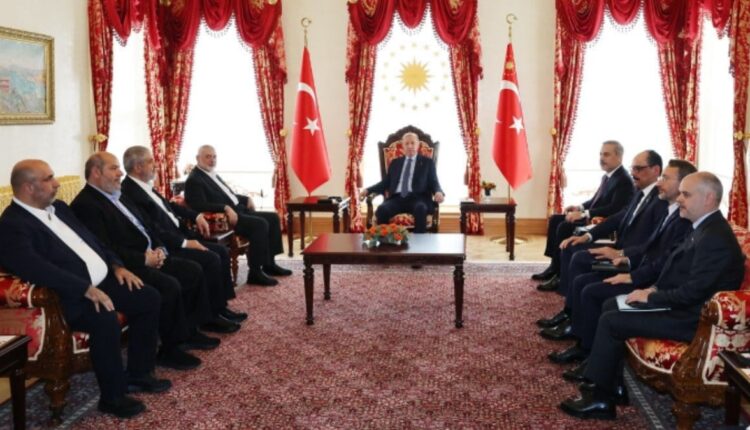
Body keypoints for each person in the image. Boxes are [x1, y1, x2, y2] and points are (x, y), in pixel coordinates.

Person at [559, 172, 745, 421]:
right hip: (682, 307)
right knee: (612, 304)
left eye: (686, 194)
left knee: (613, 321)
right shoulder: (703, 227)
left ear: (709, 198)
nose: (680, 199)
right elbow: (676, 271)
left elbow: (693, 292)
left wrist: (652, 297)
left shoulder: (715, 238)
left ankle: (601, 399)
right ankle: (613, 386)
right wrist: (653, 289)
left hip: (693, 320)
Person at [0, 160, 170, 419]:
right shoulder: (11, 225)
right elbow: (35, 268)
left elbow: (94, 241)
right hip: (68, 295)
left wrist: (117, 266)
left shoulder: (59, 207)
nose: (57, 183)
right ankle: (113, 397)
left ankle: (139, 374)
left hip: (102, 280)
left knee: (148, 297)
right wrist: (84, 288)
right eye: (49, 179)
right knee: (104, 319)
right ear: (28, 187)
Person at [71, 152, 216, 371]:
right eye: (114, 168)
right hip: (127, 264)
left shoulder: (118, 194)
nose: (120, 173)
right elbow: (104, 247)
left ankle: (189, 331)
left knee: (191, 270)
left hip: (150, 254)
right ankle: (170, 349)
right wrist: (144, 259)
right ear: (96, 172)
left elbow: (147, 226)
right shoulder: (86, 205)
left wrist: (159, 250)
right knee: (169, 285)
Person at [547, 159, 695, 368]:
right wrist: (602, 242)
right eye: (633, 168)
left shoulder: (673, 212)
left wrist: (627, 264)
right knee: (581, 276)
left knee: (589, 287)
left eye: (665, 178)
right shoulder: (656, 201)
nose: (633, 172)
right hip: (635, 262)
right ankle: (574, 325)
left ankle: (585, 347)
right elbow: (623, 221)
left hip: (646, 275)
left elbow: (661, 257)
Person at [120, 146, 246, 328]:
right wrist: (185, 243)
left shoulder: (144, 186)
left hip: (179, 233)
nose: (155, 165)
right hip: (168, 244)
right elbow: (152, 228)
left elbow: (169, 207)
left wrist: (196, 215)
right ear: (138, 167)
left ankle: (219, 307)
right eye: (150, 161)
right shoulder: (130, 192)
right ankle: (208, 318)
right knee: (211, 258)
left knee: (221, 252)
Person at [184, 144, 291, 286]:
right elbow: (198, 205)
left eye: (214, 157)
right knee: (260, 224)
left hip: (238, 210)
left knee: (273, 218)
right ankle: (255, 272)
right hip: (225, 219)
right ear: (198, 158)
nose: (212, 160)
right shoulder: (194, 179)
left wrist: (246, 199)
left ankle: (269, 264)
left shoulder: (211, 173)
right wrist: (225, 207)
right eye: (208, 157)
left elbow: (229, 195)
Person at [532, 141, 634, 283]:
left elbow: (614, 209)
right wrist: (579, 207)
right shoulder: (608, 176)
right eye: (600, 154)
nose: (601, 158)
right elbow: (595, 200)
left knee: (564, 226)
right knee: (555, 219)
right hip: (592, 217)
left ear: (619, 157)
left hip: (602, 224)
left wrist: (584, 214)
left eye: (606, 155)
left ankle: (559, 274)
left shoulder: (623, 180)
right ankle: (554, 265)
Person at [359, 131, 444, 233]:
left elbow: (434, 181)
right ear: (403, 146)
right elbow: (385, 183)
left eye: (412, 143)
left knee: (420, 208)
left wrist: (438, 192)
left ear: (418, 145)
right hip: (397, 198)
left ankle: (419, 242)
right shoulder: (395, 163)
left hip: (418, 198)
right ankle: (385, 240)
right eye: (406, 143)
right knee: (382, 209)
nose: (410, 146)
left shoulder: (427, 163)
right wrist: (368, 190)